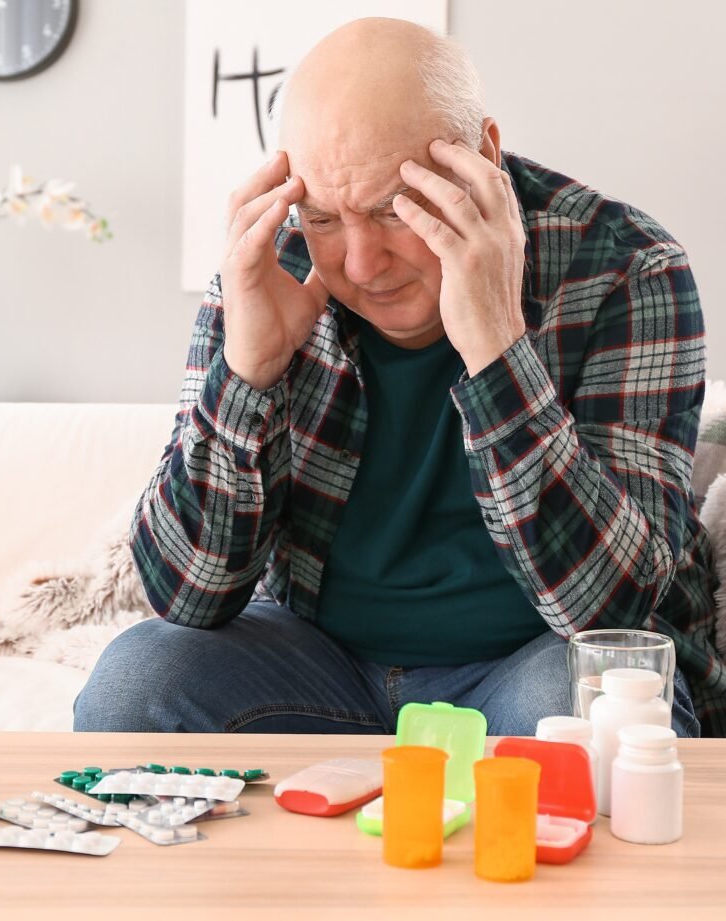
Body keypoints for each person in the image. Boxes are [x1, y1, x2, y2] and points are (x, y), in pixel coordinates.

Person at [74, 18, 725, 737]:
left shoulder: (626, 266)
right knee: (134, 684)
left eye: (391, 210)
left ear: (483, 158)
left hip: (530, 661)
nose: (361, 265)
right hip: (321, 660)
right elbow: (186, 595)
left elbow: (610, 609)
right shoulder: (271, 267)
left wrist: (498, 351)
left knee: (592, 712)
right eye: (323, 217)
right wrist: (247, 373)